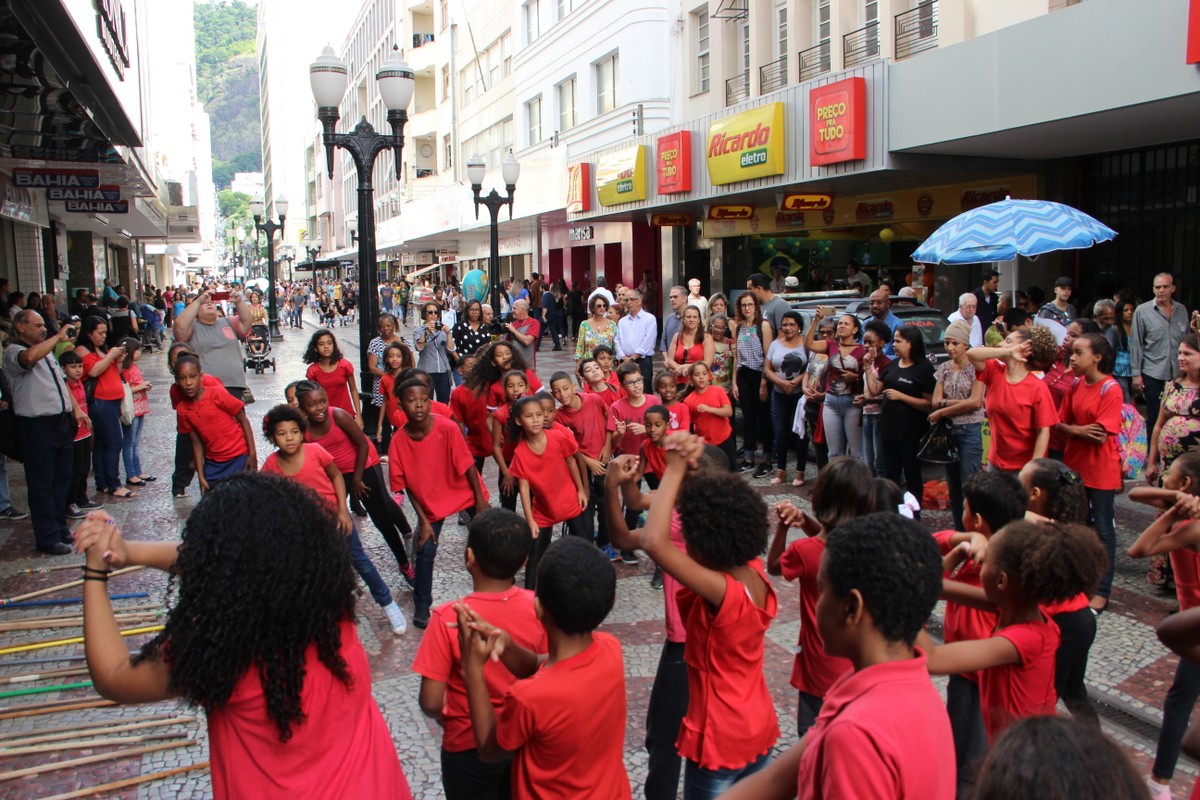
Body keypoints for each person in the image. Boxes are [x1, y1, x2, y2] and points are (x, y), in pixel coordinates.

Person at [73, 475, 413, 799]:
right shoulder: (331, 612)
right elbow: (227, 560)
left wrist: (95, 570)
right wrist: (128, 552)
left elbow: (114, 676)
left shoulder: (219, 650)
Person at [719, 513, 954, 800]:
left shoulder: (855, 734)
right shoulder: (907, 687)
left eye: (822, 590)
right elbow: (773, 780)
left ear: (851, 607)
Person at [632, 432, 778, 798]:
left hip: (720, 736)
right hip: (757, 724)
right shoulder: (752, 570)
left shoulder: (723, 592)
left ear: (706, 546)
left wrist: (674, 467)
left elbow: (654, 541)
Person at [455, 536, 629, 799]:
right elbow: (542, 665)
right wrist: (507, 644)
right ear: (611, 601)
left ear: (538, 607)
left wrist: (472, 672)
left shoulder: (528, 698)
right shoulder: (610, 649)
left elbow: (490, 749)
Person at [922, 520, 1106, 741]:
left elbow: (933, 660)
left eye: (985, 561)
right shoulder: (1017, 607)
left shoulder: (1023, 639)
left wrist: (890, 591)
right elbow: (939, 587)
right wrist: (959, 551)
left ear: (1001, 580)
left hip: (1023, 758)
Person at [412, 509, 545, 800]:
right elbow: (548, 672)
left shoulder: (449, 616)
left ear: (468, 557)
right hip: (523, 738)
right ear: (524, 562)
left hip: (466, 744)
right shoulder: (538, 607)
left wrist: (449, 717)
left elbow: (431, 701)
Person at [259, 404, 408, 636]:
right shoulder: (271, 465)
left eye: (294, 432)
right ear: (272, 437)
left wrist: (341, 510)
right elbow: (268, 497)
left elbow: (336, 476)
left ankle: (388, 604)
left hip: (335, 519)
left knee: (360, 561)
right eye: (281, 433)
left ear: (301, 431)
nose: (289, 438)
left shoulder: (315, 452)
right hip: (305, 528)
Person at [930, 471, 1029, 796]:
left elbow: (931, 583)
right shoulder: (984, 554)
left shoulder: (995, 575)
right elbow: (940, 544)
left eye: (965, 509)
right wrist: (962, 545)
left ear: (977, 519)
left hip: (978, 682)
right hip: (967, 677)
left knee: (969, 768)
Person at [766, 458, 872, 736]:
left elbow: (775, 566)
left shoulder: (805, 551)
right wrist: (807, 524)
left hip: (819, 668)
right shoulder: (871, 548)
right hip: (860, 667)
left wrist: (783, 527)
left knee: (812, 741)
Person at [1127, 454, 1200, 800]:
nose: (1162, 478)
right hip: (1191, 625)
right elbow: (1135, 495)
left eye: (1168, 475)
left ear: (1185, 484)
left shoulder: (1192, 527)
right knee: (1181, 700)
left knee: (1180, 703)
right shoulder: (1188, 509)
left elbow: (1138, 549)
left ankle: (1161, 783)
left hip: (1195, 630)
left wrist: (1172, 510)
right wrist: (1175, 498)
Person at [390, 378, 489, 629]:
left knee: (487, 540)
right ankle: (422, 602)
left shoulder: (446, 427)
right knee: (425, 550)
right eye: (412, 401)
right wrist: (423, 522)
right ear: (401, 406)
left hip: (463, 490)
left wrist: (479, 501)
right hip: (430, 500)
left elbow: (467, 464)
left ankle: (494, 594)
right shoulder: (398, 441)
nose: (419, 405)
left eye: (424, 399)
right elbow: (409, 486)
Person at [294, 381, 414, 585]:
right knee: (333, 522)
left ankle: (404, 564)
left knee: (381, 518)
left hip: (362, 471)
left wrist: (357, 479)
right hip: (333, 478)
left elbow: (362, 445)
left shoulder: (338, 415)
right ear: (302, 407)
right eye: (312, 405)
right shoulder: (302, 430)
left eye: (322, 401)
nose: (319, 408)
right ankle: (341, 567)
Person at [3, 311, 80, 553]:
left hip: (60, 422)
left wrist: (75, 410)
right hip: (36, 427)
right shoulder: (14, 351)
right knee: (42, 484)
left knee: (61, 481)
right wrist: (57, 337)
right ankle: (47, 537)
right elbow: (28, 359)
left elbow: (60, 384)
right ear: (21, 327)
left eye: (42, 325)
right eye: (37, 325)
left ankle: (60, 529)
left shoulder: (45, 352)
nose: (42, 329)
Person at [1056, 333, 1122, 613]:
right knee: (1075, 525)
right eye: (1072, 352)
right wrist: (1078, 430)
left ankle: (1101, 590)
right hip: (1075, 466)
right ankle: (1077, 583)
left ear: (1097, 357)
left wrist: (1075, 430)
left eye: (1079, 352)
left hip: (1101, 469)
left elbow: (1100, 434)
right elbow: (1059, 423)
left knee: (1103, 528)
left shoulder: (1111, 389)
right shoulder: (1074, 384)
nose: (1072, 357)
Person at [508, 394, 589, 588]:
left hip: (570, 499)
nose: (536, 419)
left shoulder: (558, 437)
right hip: (543, 510)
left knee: (584, 544)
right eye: (529, 416)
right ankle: (529, 595)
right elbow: (524, 487)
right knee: (535, 552)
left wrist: (580, 490)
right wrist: (530, 519)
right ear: (519, 421)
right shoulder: (520, 452)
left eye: (539, 414)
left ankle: (587, 584)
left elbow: (572, 461)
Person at [968, 328, 1058, 473]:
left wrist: (1033, 468)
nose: (1001, 344)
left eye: (1008, 341)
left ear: (1026, 349)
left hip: (1022, 468)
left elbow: (1044, 431)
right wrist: (1008, 351)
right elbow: (971, 354)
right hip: (995, 463)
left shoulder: (1038, 388)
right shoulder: (994, 371)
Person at [867, 325, 935, 510]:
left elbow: (929, 403)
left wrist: (901, 396)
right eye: (894, 341)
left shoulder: (923, 369)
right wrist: (867, 367)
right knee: (890, 474)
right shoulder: (893, 365)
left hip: (911, 432)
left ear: (911, 344)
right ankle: (891, 511)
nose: (894, 345)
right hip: (888, 429)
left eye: (898, 341)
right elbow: (874, 390)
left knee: (912, 474)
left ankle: (914, 512)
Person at [550, 372, 615, 560]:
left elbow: (609, 418)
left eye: (564, 388)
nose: (562, 394)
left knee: (606, 502)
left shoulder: (593, 399)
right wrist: (588, 461)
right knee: (587, 501)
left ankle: (605, 540)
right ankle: (585, 536)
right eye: (557, 392)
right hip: (582, 465)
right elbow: (568, 449)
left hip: (603, 458)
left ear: (573, 386)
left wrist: (608, 445)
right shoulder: (559, 417)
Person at [929, 320, 986, 531]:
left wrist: (944, 408)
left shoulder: (975, 368)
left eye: (955, 343)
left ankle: (973, 530)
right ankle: (959, 530)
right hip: (949, 431)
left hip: (969, 430)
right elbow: (935, 400)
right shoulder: (944, 367)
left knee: (968, 485)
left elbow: (976, 401)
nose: (950, 348)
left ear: (965, 345)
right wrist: (953, 405)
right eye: (947, 343)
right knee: (953, 487)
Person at [173, 355, 256, 491]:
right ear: (177, 381)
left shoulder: (216, 394)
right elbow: (196, 442)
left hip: (238, 456)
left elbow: (243, 420)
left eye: (192, 377)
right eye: (182, 378)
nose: (188, 383)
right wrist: (200, 475)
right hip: (214, 463)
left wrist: (252, 454)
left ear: (201, 377)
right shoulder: (183, 410)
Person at [74, 316, 134, 499]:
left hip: (112, 400)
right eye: (99, 333)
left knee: (102, 444)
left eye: (105, 332)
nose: (103, 336)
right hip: (100, 402)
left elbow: (113, 372)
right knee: (115, 441)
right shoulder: (82, 350)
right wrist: (110, 356)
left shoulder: (102, 349)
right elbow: (93, 371)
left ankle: (103, 483)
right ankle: (114, 483)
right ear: (88, 333)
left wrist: (117, 360)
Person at [805, 309, 865, 461]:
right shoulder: (831, 345)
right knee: (833, 452)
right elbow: (809, 343)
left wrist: (856, 377)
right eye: (840, 324)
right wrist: (816, 320)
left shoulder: (862, 350)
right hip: (831, 401)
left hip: (852, 402)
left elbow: (868, 377)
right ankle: (836, 483)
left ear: (855, 329)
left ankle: (858, 483)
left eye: (846, 324)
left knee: (856, 452)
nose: (842, 326)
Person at [173, 287, 252, 401]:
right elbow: (179, 325)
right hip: (206, 387)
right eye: (205, 303)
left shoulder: (229, 322)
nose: (209, 304)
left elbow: (248, 321)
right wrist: (199, 300)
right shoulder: (192, 328)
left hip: (233, 385)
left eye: (212, 302)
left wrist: (239, 301)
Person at [1134, 272, 1191, 428]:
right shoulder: (1142, 311)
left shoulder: (1182, 310)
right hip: (1153, 372)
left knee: (1178, 414)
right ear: (1153, 289)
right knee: (1154, 416)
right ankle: (1154, 452)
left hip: (1179, 373)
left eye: (1165, 286)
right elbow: (1137, 344)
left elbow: (1186, 341)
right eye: (1157, 287)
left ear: (1173, 288)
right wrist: (1136, 375)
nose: (1161, 290)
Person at [731, 291, 773, 477]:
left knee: (763, 418)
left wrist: (764, 381)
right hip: (743, 375)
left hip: (759, 375)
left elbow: (768, 357)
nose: (747, 308)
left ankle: (766, 459)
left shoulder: (763, 326)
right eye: (743, 305)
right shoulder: (738, 327)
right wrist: (734, 382)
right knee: (748, 417)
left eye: (750, 304)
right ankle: (748, 458)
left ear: (756, 306)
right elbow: (736, 357)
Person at [763, 310, 808, 486]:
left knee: (800, 432)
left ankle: (800, 471)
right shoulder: (775, 344)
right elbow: (767, 368)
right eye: (785, 324)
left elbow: (812, 367)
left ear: (799, 327)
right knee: (780, 431)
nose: (788, 328)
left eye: (792, 324)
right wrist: (780, 383)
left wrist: (796, 381)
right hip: (779, 393)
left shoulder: (806, 343)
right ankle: (781, 469)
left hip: (799, 394)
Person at [117, 337, 153, 488]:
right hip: (131, 410)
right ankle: (131, 474)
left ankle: (137, 471)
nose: (139, 351)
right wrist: (141, 386)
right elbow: (124, 390)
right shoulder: (124, 370)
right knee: (129, 442)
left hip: (140, 407)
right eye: (137, 349)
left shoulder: (133, 367)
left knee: (135, 442)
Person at [614, 290, 657, 389]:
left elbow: (648, 341)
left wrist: (633, 357)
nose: (628, 302)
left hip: (642, 361)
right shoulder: (622, 321)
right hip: (624, 360)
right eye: (626, 300)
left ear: (639, 301)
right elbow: (617, 340)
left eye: (631, 299)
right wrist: (623, 357)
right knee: (626, 389)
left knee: (644, 389)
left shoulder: (649, 319)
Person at [415, 301, 457, 403]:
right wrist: (428, 332)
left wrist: (449, 334)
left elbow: (451, 349)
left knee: (444, 402)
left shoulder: (442, 329)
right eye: (430, 312)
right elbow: (419, 347)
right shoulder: (419, 330)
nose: (433, 314)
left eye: (436, 312)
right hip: (426, 370)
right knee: (426, 401)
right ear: (425, 314)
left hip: (443, 370)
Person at [664, 306, 713, 389]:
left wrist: (686, 367)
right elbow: (670, 360)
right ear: (683, 319)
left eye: (695, 317)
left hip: (701, 382)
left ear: (699, 320)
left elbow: (708, 363)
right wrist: (679, 369)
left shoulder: (706, 337)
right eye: (688, 317)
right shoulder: (677, 336)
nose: (692, 320)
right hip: (680, 381)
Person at [574, 292, 615, 363]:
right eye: (599, 306)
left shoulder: (612, 324)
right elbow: (580, 347)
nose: (602, 308)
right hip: (590, 365)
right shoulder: (584, 324)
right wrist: (578, 364)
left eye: (604, 305)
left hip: (607, 364)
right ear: (593, 308)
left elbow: (615, 347)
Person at [746, 273, 790, 337]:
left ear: (758, 288)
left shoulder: (780, 305)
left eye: (750, 289)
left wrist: (771, 347)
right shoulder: (756, 306)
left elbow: (783, 335)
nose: (748, 292)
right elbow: (752, 330)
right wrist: (744, 341)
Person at [1109, 298, 1136, 403]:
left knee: (1132, 399)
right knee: (1125, 400)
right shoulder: (1115, 328)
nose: (1129, 312)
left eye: (1131, 310)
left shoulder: (1136, 327)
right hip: (1119, 369)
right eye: (1126, 310)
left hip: (1133, 369)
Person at [503, 299, 540, 369]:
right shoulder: (514, 324)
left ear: (522, 310)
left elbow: (527, 341)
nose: (512, 311)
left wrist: (513, 330)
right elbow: (506, 344)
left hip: (527, 366)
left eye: (514, 308)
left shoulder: (534, 322)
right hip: (514, 366)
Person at [866, 289, 903, 355]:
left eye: (879, 303)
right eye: (872, 303)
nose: (874, 306)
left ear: (888, 304)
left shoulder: (897, 325)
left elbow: (899, 355)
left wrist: (881, 359)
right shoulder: (865, 323)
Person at [660, 285, 686, 356]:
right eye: (670, 297)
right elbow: (663, 343)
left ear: (684, 298)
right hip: (670, 362)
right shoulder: (670, 318)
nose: (672, 299)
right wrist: (667, 359)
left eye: (675, 297)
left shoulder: (692, 318)